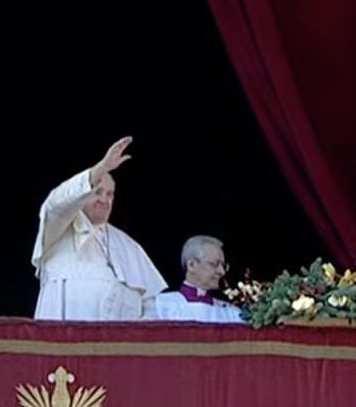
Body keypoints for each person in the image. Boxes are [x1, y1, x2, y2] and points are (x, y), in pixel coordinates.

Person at [31, 137, 166, 320]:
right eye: (97, 192)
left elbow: (150, 307)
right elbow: (57, 203)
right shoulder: (59, 228)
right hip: (66, 342)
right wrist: (102, 168)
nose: (104, 200)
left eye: (110, 194)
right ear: (83, 193)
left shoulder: (129, 246)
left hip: (116, 345)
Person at [152, 235, 244, 323]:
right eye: (214, 264)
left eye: (223, 266)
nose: (222, 272)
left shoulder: (231, 312)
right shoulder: (161, 305)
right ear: (191, 265)